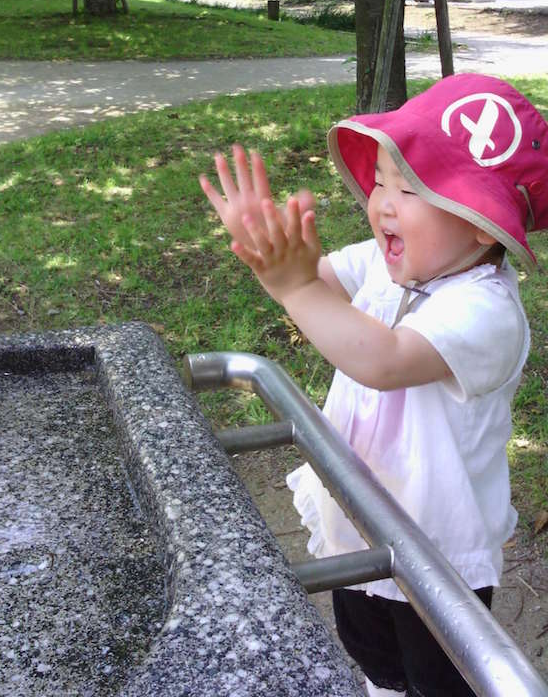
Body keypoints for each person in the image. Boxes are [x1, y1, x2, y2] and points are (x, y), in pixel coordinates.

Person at [199, 73, 548, 697]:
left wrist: (295, 286)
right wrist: (272, 256)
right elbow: (318, 287)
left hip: (438, 554)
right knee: (373, 661)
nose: (382, 200)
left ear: (478, 222)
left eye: (409, 188)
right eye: (381, 180)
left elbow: (383, 360)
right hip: (357, 517)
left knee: (440, 680)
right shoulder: (391, 263)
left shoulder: (487, 310)